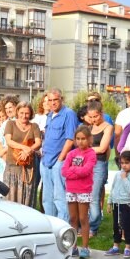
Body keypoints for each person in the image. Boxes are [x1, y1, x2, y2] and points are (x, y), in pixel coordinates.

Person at [41, 88, 79, 222]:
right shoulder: (49, 115)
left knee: (60, 196)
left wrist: (60, 160)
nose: (52, 103)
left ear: (61, 99)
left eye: (55, 100)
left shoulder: (69, 114)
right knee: (47, 197)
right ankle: (50, 224)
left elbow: (70, 139)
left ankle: (63, 226)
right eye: (50, 100)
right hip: (46, 161)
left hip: (59, 162)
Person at [61, 125, 97, 259]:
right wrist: (76, 171)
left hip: (83, 190)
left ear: (89, 139)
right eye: (78, 139)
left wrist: (73, 170)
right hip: (71, 189)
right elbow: (64, 171)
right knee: (73, 218)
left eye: (83, 139)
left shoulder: (91, 153)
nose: (80, 141)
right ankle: (74, 246)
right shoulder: (71, 153)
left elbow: (86, 171)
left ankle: (85, 247)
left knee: (83, 218)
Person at [3, 102, 42, 206]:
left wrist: (28, 150)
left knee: (27, 198)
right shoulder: (10, 124)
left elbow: (38, 143)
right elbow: (9, 141)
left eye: (27, 113)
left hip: (28, 168)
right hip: (13, 167)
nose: (24, 116)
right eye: (21, 113)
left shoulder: (34, 126)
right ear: (17, 112)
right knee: (11, 198)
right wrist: (24, 148)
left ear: (31, 114)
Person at [105, 151, 130, 258]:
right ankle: (116, 246)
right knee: (116, 226)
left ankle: (128, 247)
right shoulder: (117, 174)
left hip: (127, 204)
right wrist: (109, 202)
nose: (123, 165)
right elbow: (113, 188)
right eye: (122, 163)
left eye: (126, 163)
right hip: (116, 203)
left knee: (127, 226)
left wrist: (125, 178)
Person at [87, 100, 113, 237]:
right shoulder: (89, 128)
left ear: (101, 113)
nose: (93, 120)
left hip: (99, 164)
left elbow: (102, 148)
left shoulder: (107, 127)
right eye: (90, 117)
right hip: (87, 164)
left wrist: (85, 149)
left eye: (95, 116)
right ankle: (86, 224)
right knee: (85, 196)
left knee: (94, 196)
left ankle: (93, 227)